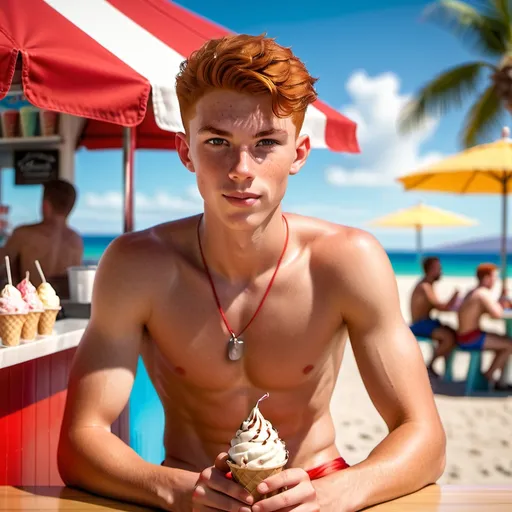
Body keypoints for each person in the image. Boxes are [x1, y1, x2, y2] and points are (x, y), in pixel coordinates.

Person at [58, 34, 446, 512]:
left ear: (299, 154)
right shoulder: (137, 265)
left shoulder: (348, 261)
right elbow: (79, 442)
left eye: (266, 143)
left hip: (318, 488)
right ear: (186, 153)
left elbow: (424, 436)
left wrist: (336, 494)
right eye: (217, 141)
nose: (241, 168)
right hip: (189, 495)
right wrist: (177, 490)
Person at [0, 179, 83, 299]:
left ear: (46, 205)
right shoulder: (76, 240)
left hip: (29, 308)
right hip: (64, 308)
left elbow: (2, 266)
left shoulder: (24, 234)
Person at [457, 263, 512, 391]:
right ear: (487, 278)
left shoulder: (473, 291)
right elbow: (497, 314)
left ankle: (497, 379)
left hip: (463, 335)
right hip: (470, 337)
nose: (496, 281)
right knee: (509, 344)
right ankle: (489, 377)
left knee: (504, 340)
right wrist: (504, 300)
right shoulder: (483, 293)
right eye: (494, 277)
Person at [409, 256, 459, 376]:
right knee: (449, 337)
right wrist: (454, 297)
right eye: (438, 268)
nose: (441, 271)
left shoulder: (428, 285)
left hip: (427, 322)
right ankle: (429, 365)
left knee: (453, 333)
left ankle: (447, 371)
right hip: (419, 325)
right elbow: (441, 307)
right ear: (431, 270)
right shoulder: (425, 287)